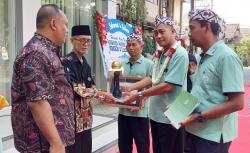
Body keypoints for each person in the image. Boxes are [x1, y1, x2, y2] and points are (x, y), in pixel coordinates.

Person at [11, 4, 74, 153]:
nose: (66, 30)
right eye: (65, 24)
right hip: (41, 144)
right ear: (53, 24)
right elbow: (38, 102)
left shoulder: (46, 51)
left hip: (48, 142)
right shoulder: (36, 54)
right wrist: (56, 143)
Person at [180, 9, 244, 153]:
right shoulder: (203, 56)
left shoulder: (226, 57)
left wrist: (198, 116)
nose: (189, 33)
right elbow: (201, 92)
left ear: (207, 27)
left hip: (212, 137)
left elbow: (237, 103)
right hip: (195, 130)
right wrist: (177, 109)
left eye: (192, 28)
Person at [124, 16, 189, 153]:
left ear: (173, 31)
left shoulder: (180, 54)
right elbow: (152, 77)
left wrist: (140, 94)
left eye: (162, 32)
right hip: (156, 114)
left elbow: (168, 85)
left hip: (173, 115)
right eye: (155, 33)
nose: (158, 36)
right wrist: (130, 87)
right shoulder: (159, 54)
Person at [61, 25, 115, 153]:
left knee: (86, 148)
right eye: (81, 40)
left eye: (88, 40)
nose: (85, 44)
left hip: (86, 117)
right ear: (72, 40)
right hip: (71, 118)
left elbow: (92, 87)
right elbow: (78, 89)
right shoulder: (65, 62)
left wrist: (104, 97)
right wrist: (101, 94)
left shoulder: (86, 64)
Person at [118, 33, 153, 153]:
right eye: (128, 45)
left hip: (140, 114)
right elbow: (116, 85)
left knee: (142, 146)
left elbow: (152, 86)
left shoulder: (149, 64)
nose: (131, 48)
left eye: (134, 45)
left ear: (141, 46)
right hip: (123, 113)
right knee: (124, 146)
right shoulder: (122, 64)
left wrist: (143, 100)